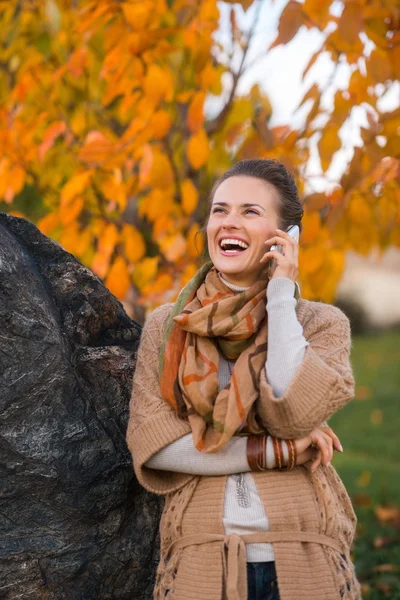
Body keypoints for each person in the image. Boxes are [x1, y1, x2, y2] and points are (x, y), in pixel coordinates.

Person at [126, 159, 361, 600]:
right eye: (220, 210)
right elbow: (154, 444)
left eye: (250, 211)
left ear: (286, 236)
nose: (228, 222)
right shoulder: (167, 327)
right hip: (200, 561)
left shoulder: (319, 323)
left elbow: (294, 410)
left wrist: (280, 294)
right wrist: (276, 451)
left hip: (305, 554)